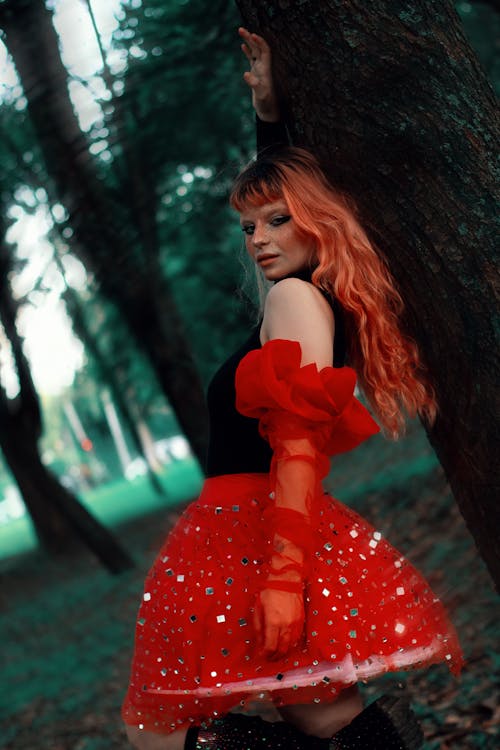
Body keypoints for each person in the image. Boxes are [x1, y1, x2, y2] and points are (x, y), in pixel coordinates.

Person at [122, 28, 463, 750]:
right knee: (317, 716)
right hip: (245, 532)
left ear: (319, 221)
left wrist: (282, 579)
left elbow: (299, 442)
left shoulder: (294, 301)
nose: (259, 239)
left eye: (277, 222)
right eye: (248, 226)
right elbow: (287, 186)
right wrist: (271, 114)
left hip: (257, 533)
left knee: (168, 735)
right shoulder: (313, 294)